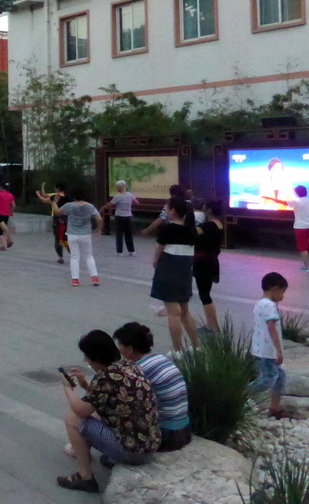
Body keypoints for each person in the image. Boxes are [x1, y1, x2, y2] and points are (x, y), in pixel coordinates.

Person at [58, 329, 160, 493]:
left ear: (96, 358)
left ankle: (86, 477)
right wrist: (86, 386)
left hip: (133, 452)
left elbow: (80, 410)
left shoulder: (105, 377)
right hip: (150, 444)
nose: (86, 361)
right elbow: (110, 396)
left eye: (87, 357)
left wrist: (67, 388)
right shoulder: (129, 365)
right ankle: (103, 455)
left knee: (72, 419)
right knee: (94, 414)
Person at [112, 322, 191, 451]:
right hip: (184, 430)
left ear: (130, 349)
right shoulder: (161, 359)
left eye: (120, 347)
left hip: (166, 435)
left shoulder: (138, 370)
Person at [149, 197, 200, 351]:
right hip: (184, 272)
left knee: (173, 312)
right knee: (184, 310)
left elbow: (159, 248)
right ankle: (197, 346)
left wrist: (155, 261)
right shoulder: (192, 230)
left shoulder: (168, 229)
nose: (165, 212)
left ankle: (178, 350)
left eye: (166, 209)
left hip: (168, 269)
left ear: (173, 211)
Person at [250, 272, 289, 419]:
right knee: (268, 379)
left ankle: (274, 408)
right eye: (282, 292)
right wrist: (278, 350)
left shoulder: (260, 303)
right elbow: (271, 327)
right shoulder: (269, 305)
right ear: (274, 289)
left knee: (280, 377)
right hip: (267, 351)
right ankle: (242, 393)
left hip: (261, 349)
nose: (282, 296)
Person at [53, 188, 101, 287]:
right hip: (86, 234)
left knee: (74, 256)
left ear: (73, 196)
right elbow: (99, 218)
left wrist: (54, 202)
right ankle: (94, 278)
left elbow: (57, 212)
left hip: (72, 233)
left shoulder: (69, 206)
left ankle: (75, 280)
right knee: (88, 256)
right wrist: (99, 229)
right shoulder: (90, 206)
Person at [194, 200, 224, 334]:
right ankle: (212, 325)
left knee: (204, 295)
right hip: (212, 260)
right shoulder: (219, 225)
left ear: (209, 210)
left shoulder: (207, 226)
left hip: (203, 262)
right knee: (206, 294)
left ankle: (212, 326)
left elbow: (190, 234)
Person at [36, 183, 70, 263]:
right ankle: (73, 253)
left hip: (57, 220)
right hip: (68, 219)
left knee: (58, 238)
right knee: (66, 237)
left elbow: (44, 200)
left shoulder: (55, 197)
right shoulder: (68, 197)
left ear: (58, 188)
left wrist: (38, 195)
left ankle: (60, 256)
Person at [102, 180, 138, 255]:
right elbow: (136, 202)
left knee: (119, 234)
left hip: (119, 217)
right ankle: (131, 251)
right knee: (128, 234)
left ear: (119, 187)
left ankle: (119, 251)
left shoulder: (118, 196)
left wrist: (102, 208)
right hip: (128, 216)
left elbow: (110, 204)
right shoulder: (130, 195)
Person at [0, 184, 15, 250]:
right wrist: (11, 212)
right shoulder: (10, 195)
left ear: (1, 187)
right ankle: (8, 240)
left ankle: (3, 246)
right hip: (6, 215)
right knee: (4, 228)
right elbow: (13, 205)